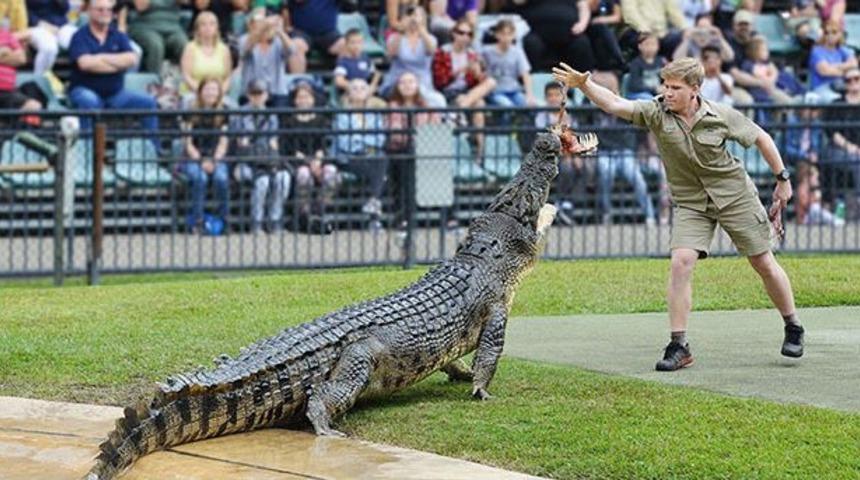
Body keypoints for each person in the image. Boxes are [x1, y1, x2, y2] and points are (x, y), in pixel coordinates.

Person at [553, 57, 806, 371]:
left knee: (762, 262)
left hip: (734, 195)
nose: (667, 92)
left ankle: (793, 325)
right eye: (665, 85)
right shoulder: (656, 112)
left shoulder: (721, 115)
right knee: (680, 262)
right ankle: (679, 346)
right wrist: (585, 85)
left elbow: (762, 139)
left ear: (694, 90)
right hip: (691, 202)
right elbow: (615, 104)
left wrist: (783, 180)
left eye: (675, 87)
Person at [68, 0, 159, 135]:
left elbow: (131, 59)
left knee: (148, 102)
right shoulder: (79, 36)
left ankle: (153, 146)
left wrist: (100, 58)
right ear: (90, 12)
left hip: (115, 94)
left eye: (109, 10)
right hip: (85, 90)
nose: (105, 13)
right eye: (100, 10)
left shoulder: (118, 35)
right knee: (88, 101)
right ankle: (88, 146)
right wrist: (117, 64)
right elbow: (85, 64)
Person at [281, 81, 339, 232]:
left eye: (307, 97)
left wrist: (318, 160)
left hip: (319, 159)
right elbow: (288, 147)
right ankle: (304, 214)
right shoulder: (288, 120)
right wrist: (308, 162)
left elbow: (324, 143)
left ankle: (319, 209)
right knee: (304, 175)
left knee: (331, 173)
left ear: (313, 99)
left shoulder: (321, 119)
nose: (303, 100)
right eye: (300, 97)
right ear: (295, 100)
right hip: (297, 159)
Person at [431, 18, 495, 154]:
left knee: (490, 83)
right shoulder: (442, 52)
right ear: (453, 33)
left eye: (469, 34)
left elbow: (478, 84)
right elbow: (439, 81)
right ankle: (480, 152)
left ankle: (458, 112)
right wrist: (461, 70)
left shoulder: (472, 54)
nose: (465, 37)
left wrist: (478, 74)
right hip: (449, 91)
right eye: (461, 33)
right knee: (479, 104)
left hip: (467, 92)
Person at [234, 79, 290, 233]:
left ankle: (275, 220)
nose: (257, 97)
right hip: (245, 162)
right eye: (253, 93)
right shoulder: (239, 114)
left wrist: (274, 161)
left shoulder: (271, 115)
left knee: (283, 178)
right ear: (248, 95)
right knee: (262, 182)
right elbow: (240, 143)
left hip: (266, 160)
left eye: (260, 93)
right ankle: (256, 222)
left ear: (267, 95)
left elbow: (273, 143)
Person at [178, 77, 230, 233]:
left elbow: (223, 142)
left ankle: (223, 220)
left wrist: (214, 161)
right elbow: (187, 142)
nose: (211, 93)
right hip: (193, 157)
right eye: (207, 89)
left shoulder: (224, 112)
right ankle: (197, 221)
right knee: (200, 178)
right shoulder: (190, 111)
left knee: (221, 178)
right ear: (200, 91)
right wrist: (201, 161)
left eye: (214, 89)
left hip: (216, 157)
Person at [334, 78, 387, 230]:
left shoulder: (374, 115)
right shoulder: (342, 115)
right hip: (348, 157)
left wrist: (359, 139)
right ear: (348, 93)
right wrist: (366, 143)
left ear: (368, 93)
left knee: (382, 160)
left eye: (363, 88)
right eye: (354, 88)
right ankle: (374, 214)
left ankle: (373, 203)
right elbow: (344, 142)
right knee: (380, 171)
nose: (358, 91)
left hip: (371, 157)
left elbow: (380, 139)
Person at [534, 81, 586, 226]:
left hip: (568, 154)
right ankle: (561, 202)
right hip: (550, 156)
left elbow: (575, 138)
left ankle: (567, 203)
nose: (553, 98)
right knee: (567, 167)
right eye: (550, 95)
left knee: (587, 166)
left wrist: (575, 155)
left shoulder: (569, 116)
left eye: (557, 95)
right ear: (545, 98)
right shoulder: (541, 117)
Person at [380, 5, 445, 106]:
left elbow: (431, 49)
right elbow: (391, 53)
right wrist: (401, 30)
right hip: (398, 82)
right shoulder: (394, 37)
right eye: (410, 15)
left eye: (417, 15)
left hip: (422, 83)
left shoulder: (430, 38)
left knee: (436, 99)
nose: (413, 18)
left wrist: (421, 29)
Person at [239, 8, 297, 106]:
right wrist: (262, 27)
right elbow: (245, 50)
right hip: (252, 93)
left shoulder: (278, 41)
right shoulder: (245, 39)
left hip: (277, 92)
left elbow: (292, 50)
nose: (263, 24)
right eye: (259, 20)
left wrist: (280, 31)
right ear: (251, 24)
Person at [482, 18, 536, 107]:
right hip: (495, 91)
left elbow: (525, 74)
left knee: (529, 105)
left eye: (509, 34)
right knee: (507, 105)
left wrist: (529, 95)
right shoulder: (486, 51)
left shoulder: (518, 52)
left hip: (514, 90)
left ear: (514, 35)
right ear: (497, 34)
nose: (506, 38)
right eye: (503, 34)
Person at [179, 11, 232, 100]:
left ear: (217, 28)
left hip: (218, 95)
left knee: (231, 104)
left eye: (212, 24)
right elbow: (186, 76)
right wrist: (203, 92)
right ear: (197, 29)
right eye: (203, 24)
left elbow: (228, 77)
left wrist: (218, 93)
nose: (208, 27)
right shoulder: (190, 48)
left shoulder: (224, 49)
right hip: (193, 93)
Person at [127, 0, 188, 73]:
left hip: (173, 27)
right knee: (156, 45)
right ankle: (152, 78)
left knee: (183, 43)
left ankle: (187, 78)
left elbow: (184, 1)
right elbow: (141, 6)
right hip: (145, 26)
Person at [808, 20, 856, 102]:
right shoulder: (816, 51)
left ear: (840, 34)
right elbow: (825, 71)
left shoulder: (841, 49)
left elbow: (854, 64)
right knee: (838, 100)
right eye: (827, 33)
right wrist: (845, 71)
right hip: (821, 88)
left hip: (841, 85)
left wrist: (833, 66)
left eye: (834, 32)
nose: (830, 35)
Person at [26, 0, 79, 75]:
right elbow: (23, 11)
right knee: (49, 48)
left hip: (61, 25)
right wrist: (39, 23)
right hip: (37, 26)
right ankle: (40, 78)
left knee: (79, 39)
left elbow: (65, 8)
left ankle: (79, 77)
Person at [333, 28, 381, 97]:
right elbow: (339, 81)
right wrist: (356, 87)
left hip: (366, 94)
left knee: (380, 103)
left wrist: (372, 86)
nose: (356, 46)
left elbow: (376, 74)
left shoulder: (365, 58)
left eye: (359, 42)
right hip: (349, 95)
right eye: (353, 43)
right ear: (346, 44)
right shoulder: (343, 62)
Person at [626, 32, 666, 100]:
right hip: (638, 93)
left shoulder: (660, 61)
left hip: (655, 92)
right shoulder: (636, 63)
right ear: (640, 46)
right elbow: (635, 86)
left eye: (653, 44)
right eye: (647, 44)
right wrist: (655, 89)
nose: (650, 47)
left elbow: (663, 79)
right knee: (648, 99)